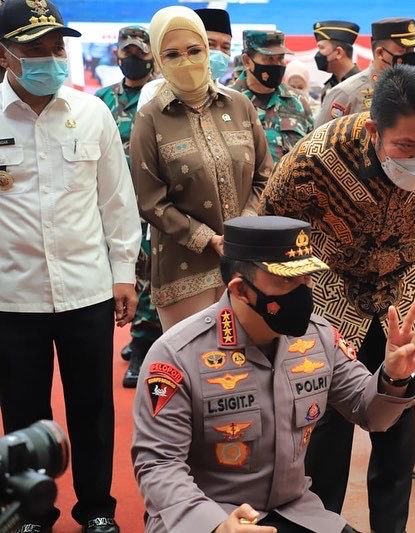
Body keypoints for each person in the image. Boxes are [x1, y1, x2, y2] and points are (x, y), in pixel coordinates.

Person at [260, 65, 415, 533]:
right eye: (405, 146)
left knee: (398, 423)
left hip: (405, 289)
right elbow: (273, 219)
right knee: (326, 424)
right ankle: (322, 525)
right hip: (333, 288)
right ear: (375, 130)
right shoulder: (315, 159)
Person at [132, 216, 415, 533]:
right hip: (207, 515)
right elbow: (159, 463)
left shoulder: (318, 338)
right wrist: (215, 525)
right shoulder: (178, 355)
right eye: (286, 281)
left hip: (296, 512)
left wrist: (393, 378)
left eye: (306, 279)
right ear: (241, 289)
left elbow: (371, 415)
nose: (303, 293)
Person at [0, 1, 141, 531]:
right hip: (12, 295)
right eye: (35, 49)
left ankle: (97, 509)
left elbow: (116, 200)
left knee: (93, 407)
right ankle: (32, 513)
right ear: (5, 55)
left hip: (87, 289)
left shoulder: (91, 112)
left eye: (56, 47)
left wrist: (123, 272)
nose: (50, 58)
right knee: (23, 412)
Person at [130, 6, 273, 331]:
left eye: (194, 50)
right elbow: (150, 200)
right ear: (158, 59)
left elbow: (265, 176)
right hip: (184, 269)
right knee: (195, 358)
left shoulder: (239, 105)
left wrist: (244, 226)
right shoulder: (151, 117)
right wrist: (209, 239)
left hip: (247, 261)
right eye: (173, 54)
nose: (187, 61)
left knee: (249, 357)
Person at [95, 26, 162, 388]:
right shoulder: (102, 99)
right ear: (118, 55)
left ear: (152, 55)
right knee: (128, 274)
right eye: (128, 53)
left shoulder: (160, 96)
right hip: (116, 204)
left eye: (140, 52)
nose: (133, 58)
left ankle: (145, 344)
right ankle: (139, 339)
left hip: (154, 201)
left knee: (151, 274)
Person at [315, 17, 415, 127]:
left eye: (412, 50)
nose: (411, 56)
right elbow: (320, 135)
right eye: (402, 51)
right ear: (380, 53)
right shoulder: (347, 93)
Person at [232, 30, 313, 163]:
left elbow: (311, 153)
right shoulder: (228, 102)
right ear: (247, 61)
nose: (277, 65)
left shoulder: (298, 102)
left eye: (280, 58)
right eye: (269, 58)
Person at [137, 8, 232, 112]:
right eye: (210, 44)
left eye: (226, 47)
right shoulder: (152, 92)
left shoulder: (232, 99)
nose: (218, 52)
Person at [312, 20, 360, 103]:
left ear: (338, 52)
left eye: (322, 48)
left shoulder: (362, 86)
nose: (318, 54)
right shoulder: (327, 88)